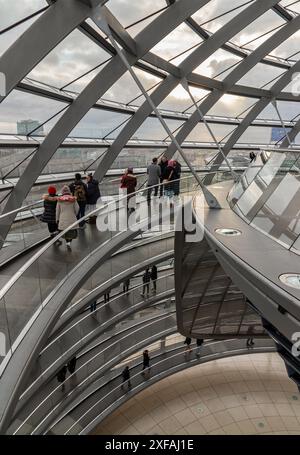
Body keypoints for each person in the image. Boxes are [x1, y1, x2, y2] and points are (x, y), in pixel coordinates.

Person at [56, 185, 79, 250]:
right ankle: (69, 242)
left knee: (65, 232)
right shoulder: (73, 199)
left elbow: (57, 211)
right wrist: (75, 214)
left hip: (63, 219)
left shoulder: (59, 200)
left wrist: (57, 219)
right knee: (71, 231)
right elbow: (77, 209)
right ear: (69, 191)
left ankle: (67, 242)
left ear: (62, 192)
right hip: (71, 218)